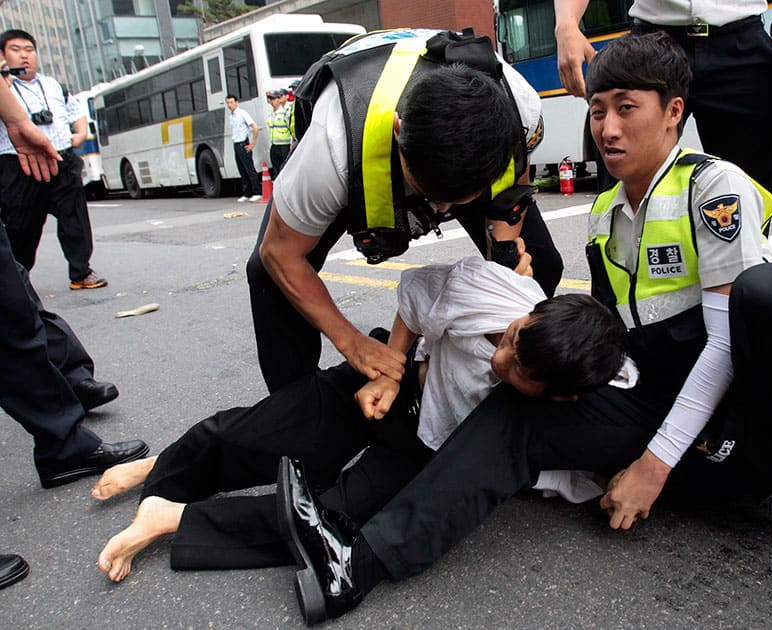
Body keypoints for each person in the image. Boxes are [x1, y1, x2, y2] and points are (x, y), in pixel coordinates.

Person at [282, 31, 772, 630]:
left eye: (628, 108)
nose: (608, 128)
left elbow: (725, 348)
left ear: (674, 112)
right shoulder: (603, 213)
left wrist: (652, 466)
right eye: (598, 111)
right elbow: (608, 349)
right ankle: (354, 563)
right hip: (660, 410)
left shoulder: (714, 191)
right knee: (521, 403)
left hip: (750, 422)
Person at [92, 256, 627, 589]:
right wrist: (390, 372)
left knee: (327, 521)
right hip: (394, 388)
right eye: (511, 339)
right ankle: (160, 466)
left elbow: (549, 468)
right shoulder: (489, 289)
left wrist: (614, 480)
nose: (501, 361)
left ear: (559, 395)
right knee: (263, 429)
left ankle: (171, 517)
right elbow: (415, 298)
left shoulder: (561, 408)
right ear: (529, 313)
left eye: (521, 372)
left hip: (423, 451)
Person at [247, 28, 563, 394]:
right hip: (360, 143)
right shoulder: (329, 148)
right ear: (399, 132)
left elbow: (513, 187)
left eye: (456, 201)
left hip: (464, 147)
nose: (441, 211)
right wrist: (353, 343)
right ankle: (295, 414)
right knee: (267, 278)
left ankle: (500, 376)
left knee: (540, 263)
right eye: (432, 195)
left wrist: (503, 258)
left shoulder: (520, 106)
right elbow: (279, 254)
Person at [0, 72, 148, 591]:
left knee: (13, 306)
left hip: (28, 145)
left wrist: (18, 121)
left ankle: (64, 436)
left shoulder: (48, 89)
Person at [554, 0, 772, 192]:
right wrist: (566, 22)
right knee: (622, 193)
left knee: (748, 197)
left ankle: (743, 279)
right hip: (652, 41)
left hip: (742, 42)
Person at [0, 29, 106, 290]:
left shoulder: (53, 85)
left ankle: (81, 272)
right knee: (21, 226)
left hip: (61, 158)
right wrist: (4, 79)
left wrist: (79, 134)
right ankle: (17, 279)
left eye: (29, 49)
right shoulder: (3, 86)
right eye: (15, 50)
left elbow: (75, 110)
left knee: (75, 217)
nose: (24, 56)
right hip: (19, 163)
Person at [225, 94, 261, 202]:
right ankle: (247, 193)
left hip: (243, 143)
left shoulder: (242, 113)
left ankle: (257, 192)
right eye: (228, 103)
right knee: (241, 169)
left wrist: (252, 143)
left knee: (249, 168)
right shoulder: (231, 115)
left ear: (236, 102)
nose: (229, 105)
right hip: (236, 144)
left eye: (231, 102)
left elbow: (255, 127)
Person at [264, 88, 293, 178]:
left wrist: (291, 143)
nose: (272, 101)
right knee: (277, 170)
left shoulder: (285, 113)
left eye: (274, 98)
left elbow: (291, 129)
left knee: (286, 170)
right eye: (270, 99)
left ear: (278, 99)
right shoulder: (271, 115)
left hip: (285, 145)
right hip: (274, 145)